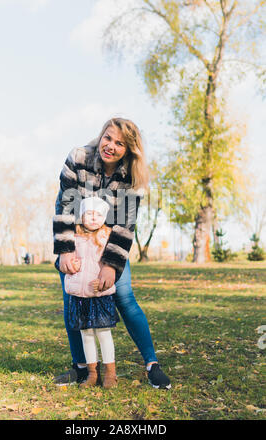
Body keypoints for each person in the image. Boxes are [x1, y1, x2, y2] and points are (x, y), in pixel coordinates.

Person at [53, 117, 171, 390]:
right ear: (101, 136)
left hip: (109, 243)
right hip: (77, 241)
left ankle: (152, 364)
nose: (111, 146)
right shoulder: (78, 158)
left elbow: (125, 225)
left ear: (129, 150)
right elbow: (64, 208)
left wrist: (111, 266)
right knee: (73, 297)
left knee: (124, 296)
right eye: (108, 138)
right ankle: (82, 369)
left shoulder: (132, 178)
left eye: (120, 143)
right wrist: (65, 251)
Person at [65, 196, 119, 389]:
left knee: (104, 334)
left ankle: (110, 374)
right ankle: (92, 373)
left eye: (98, 214)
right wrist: (72, 264)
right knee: (86, 335)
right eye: (89, 213)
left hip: (100, 295)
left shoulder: (108, 237)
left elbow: (111, 263)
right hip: (80, 296)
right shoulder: (74, 237)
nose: (94, 218)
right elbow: (66, 261)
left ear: (104, 217)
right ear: (82, 215)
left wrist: (103, 281)